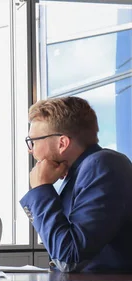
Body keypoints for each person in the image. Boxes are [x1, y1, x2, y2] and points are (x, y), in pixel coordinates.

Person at [20, 96, 132, 272]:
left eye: (33, 141)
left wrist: (41, 189)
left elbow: (67, 257)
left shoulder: (102, 165)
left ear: (62, 143)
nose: (30, 149)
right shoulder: (82, 171)